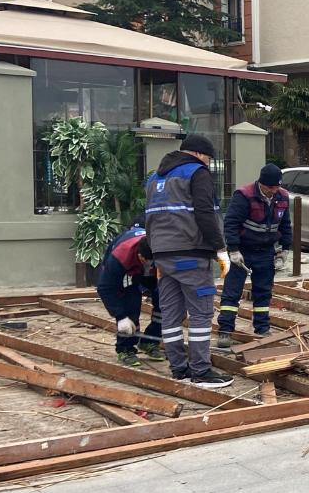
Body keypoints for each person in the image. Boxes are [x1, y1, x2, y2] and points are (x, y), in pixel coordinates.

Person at [144, 134, 233, 389]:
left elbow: (149, 216)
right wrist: (220, 247)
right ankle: (201, 371)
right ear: (199, 154)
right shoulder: (197, 172)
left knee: (171, 314)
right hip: (191, 253)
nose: (208, 163)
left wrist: (155, 251)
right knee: (201, 313)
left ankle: (179, 368)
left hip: (162, 254)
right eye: (208, 158)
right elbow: (204, 212)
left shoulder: (155, 178)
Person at [216, 164, 292, 348]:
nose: (273, 191)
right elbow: (231, 223)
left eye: (276, 187)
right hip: (243, 249)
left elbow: (285, 224)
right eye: (270, 187)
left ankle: (262, 327)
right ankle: (225, 330)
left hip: (265, 251)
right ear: (261, 183)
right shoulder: (244, 195)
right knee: (232, 292)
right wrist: (233, 250)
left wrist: (285, 248)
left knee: (263, 291)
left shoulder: (282, 197)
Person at [95, 224, 164, 367]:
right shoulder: (120, 257)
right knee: (131, 304)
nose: (149, 264)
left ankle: (150, 341)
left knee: (164, 302)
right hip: (128, 271)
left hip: (154, 272)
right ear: (140, 256)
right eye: (147, 261)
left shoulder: (162, 250)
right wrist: (120, 316)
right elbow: (104, 287)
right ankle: (125, 348)